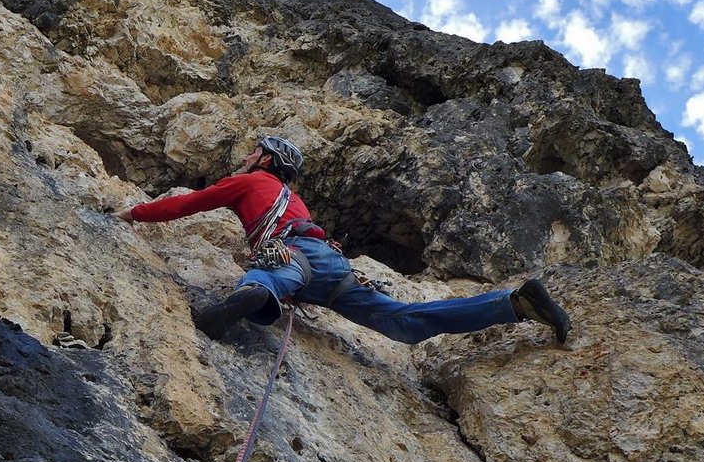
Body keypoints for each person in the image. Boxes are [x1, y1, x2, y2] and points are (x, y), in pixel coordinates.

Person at [117, 136, 571, 345]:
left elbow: (188, 204)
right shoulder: (295, 200)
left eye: (254, 152)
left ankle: (255, 293)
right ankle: (513, 304)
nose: (246, 157)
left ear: (267, 160)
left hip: (293, 253)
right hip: (335, 269)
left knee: (272, 275)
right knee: (405, 323)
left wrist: (133, 213)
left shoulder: (250, 182)